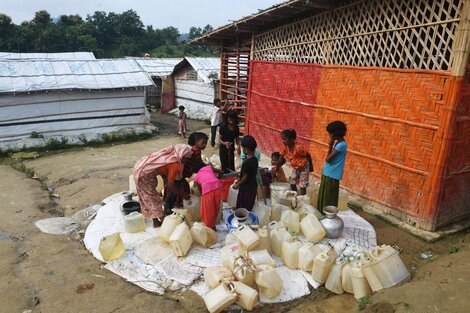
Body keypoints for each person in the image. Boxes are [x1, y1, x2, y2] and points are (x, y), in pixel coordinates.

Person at [133, 144, 192, 227]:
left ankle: (156, 221)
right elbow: (170, 186)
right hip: (143, 173)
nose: (187, 160)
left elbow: (164, 171)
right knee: (152, 197)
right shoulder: (174, 165)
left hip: (143, 167)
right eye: (186, 157)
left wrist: (166, 180)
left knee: (148, 197)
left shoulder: (172, 156)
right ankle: (163, 221)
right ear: (181, 154)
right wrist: (182, 194)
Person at [163, 132, 208, 214]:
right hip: (181, 173)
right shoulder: (196, 150)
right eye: (203, 143)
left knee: (180, 187)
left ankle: (175, 203)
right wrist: (207, 167)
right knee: (175, 189)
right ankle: (168, 205)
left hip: (182, 173)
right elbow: (199, 162)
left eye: (206, 143)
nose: (205, 145)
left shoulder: (191, 149)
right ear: (196, 142)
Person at [317, 121, 348, 213]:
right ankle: (322, 214)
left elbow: (328, 159)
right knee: (324, 196)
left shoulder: (341, 145)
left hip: (332, 174)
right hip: (329, 172)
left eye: (330, 133)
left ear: (336, 133)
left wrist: (330, 145)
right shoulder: (339, 143)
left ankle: (326, 216)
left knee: (329, 198)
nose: (329, 135)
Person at [276, 128, 311, 196]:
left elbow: (308, 155)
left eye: (284, 139)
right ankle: (294, 195)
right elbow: (280, 158)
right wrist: (277, 168)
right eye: (282, 139)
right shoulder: (285, 147)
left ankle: (302, 199)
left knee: (302, 184)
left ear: (291, 139)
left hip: (304, 167)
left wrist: (311, 167)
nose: (282, 141)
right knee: (292, 181)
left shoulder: (298, 148)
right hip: (296, 167)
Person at [192, 159, 222, 230]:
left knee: (207, 211)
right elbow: (221, 172)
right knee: (215, 207)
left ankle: (211, 229)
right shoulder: (209, 167)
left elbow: (201, 191)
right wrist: (217, 179)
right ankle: (213, 225)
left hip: (208, 192)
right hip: (218, 188)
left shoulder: (196, 178)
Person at [233, 136, 259, 211]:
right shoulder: (255, 160)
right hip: (253, 187)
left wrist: (238, 184)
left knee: (243, 208)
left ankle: (242, 220)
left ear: (246, 149)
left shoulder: (246, 162)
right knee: (249, 206)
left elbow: (245, 177)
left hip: (246, 189)